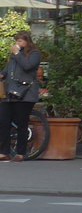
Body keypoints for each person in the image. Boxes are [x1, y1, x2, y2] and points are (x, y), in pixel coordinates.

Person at [0, 31, 43, 161]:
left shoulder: (34, 54)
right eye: (17, 40)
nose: (18, 43)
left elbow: (27, 66)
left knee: (22, 122)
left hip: (25, 93)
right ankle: (4, 151)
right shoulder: (13, 57)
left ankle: (21, 152)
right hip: (10, 92)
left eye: (20, 41)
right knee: (3, 120)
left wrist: (18, 54)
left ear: (27, 42)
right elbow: (7, 71)